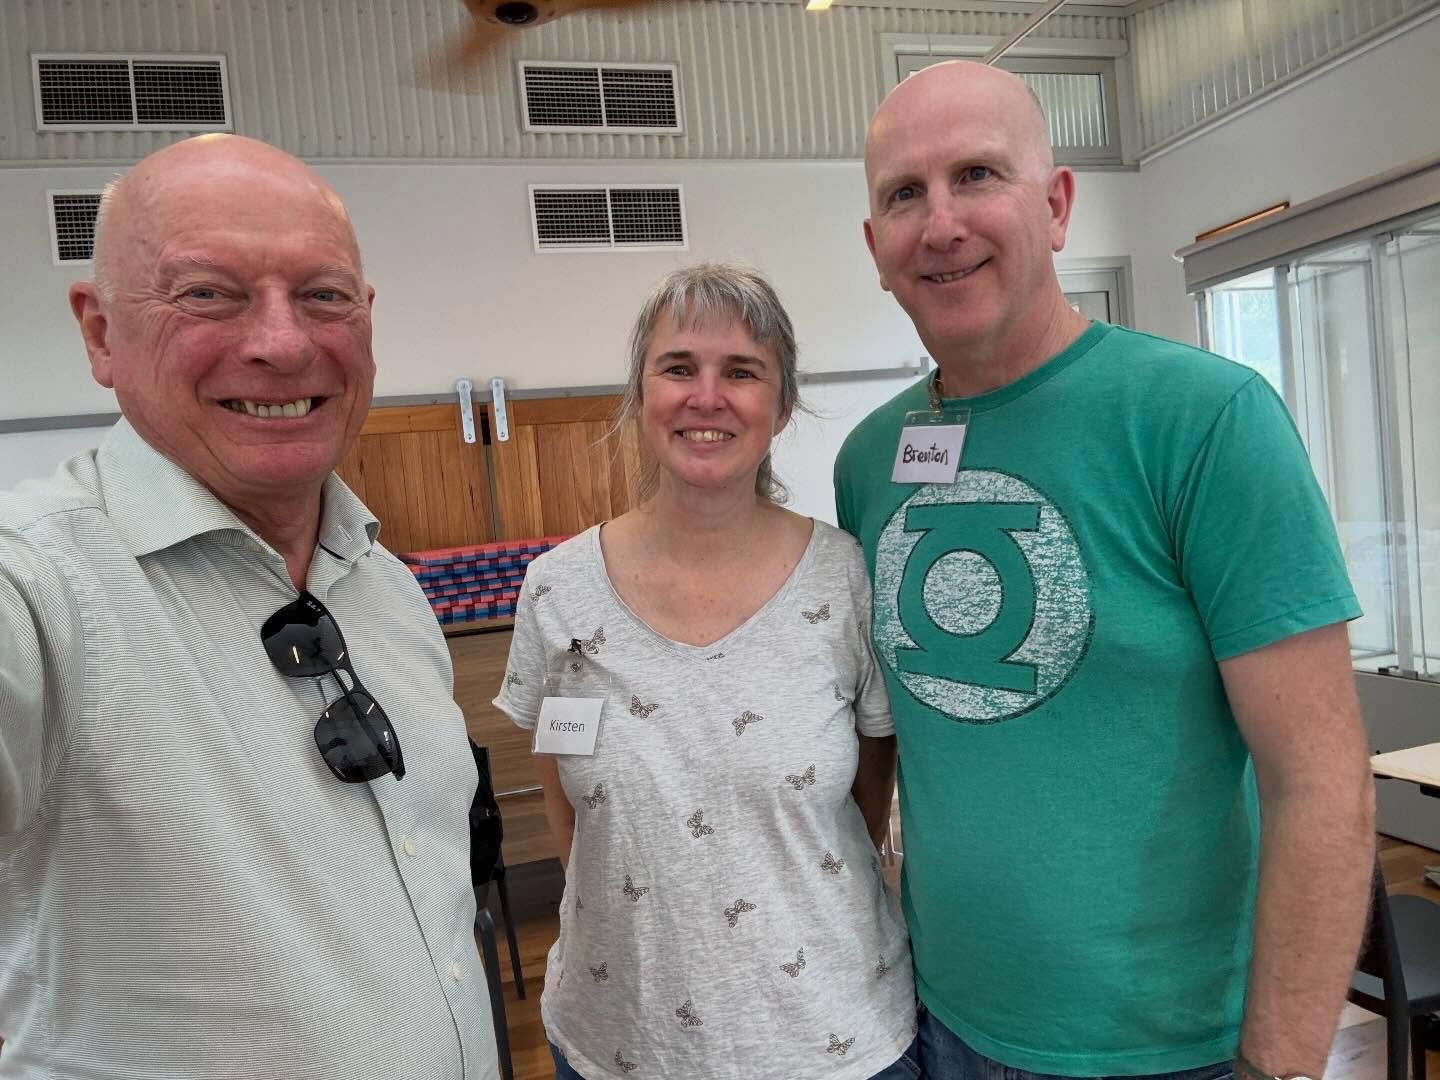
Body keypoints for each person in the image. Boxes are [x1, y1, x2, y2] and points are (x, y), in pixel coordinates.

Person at [834, 60, 1375, 1080]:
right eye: (905, 193)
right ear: (876, 248)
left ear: (1057, 203)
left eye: (978, 174)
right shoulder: (869, 463)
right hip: (937, 1024)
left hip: (1179, 1053)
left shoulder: (1208, 420)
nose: (940, 222)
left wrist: (1282, 1063)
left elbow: (1322, 783)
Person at [0, 135, 498, 1079]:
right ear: (100, 333)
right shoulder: (40, 587)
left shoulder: (388, 588)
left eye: (323, 295)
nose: (282, 341)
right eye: (207, 294)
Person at [493, 263, 919, 1080]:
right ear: (640, 392)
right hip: (619, 1037)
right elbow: (566, 797)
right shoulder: (556, 589)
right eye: (679, 367)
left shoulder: (846, 581)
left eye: (742, 371)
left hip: (832, 1038)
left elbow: (865, 804)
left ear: (781, 404)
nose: (707, 396)